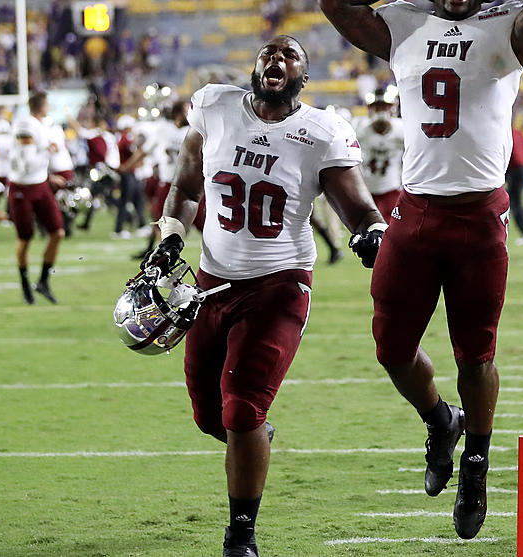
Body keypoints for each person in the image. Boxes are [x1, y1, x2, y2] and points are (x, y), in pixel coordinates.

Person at [318, 0, 523, 539]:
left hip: (479, 216)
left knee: (475, 353)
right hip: (414, 212)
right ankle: (439, 420)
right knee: (391, 348)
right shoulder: (405, 25)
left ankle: (477, 464)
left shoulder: (509, 28)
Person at [144, 35, 385, 557]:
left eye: (290, 55)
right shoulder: (214, 106)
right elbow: (186, 189)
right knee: (212, 417)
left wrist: (371, 232)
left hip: (279, 284)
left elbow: (360, 207)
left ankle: (241, 535)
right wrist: (168, 239)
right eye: (268, 53)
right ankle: (255, 435)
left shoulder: (321, 131)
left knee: (241, 410)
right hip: (211, 282)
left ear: (304, 76)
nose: (276, 59)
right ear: (255, 67)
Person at [8, 91, 66, 304]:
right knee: (25, 239)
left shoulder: (41, 125)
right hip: (22, 188)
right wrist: (47, 150)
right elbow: (27, 163)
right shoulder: (26, 125)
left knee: (58, 232)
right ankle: (25, 285)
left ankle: (42, 281)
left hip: (40, 185)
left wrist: (49, 175)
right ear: (42, 106)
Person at [355, 88, 405, 221]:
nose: (380, 111)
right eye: (377, 107)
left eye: (384, 107)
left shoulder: (401, 130)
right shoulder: (359, 129)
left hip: (392, 189)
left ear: (392, 108)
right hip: (366, 191)